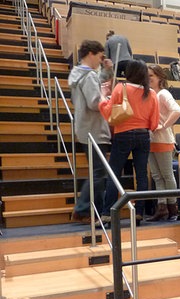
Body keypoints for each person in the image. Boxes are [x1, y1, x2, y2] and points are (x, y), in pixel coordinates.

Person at [99, 60, 160, 225]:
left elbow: (108, 112)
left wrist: (103, 96)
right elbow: (154, 124)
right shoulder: (152, 93)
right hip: (143, 136)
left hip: (123, 134)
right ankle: (139, 212)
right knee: (141, 175)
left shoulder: (121, 88)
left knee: (114, 174)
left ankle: (107, 213)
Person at [68, 40, 113, 223]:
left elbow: (95, 81)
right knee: (98, 174)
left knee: (97, 173)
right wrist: (110, 99)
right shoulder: (89, 76)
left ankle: (91, 210)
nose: (101, 60)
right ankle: (84, 209)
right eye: (100, 56)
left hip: (85, 127)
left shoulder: (77, 74)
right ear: (91, 54)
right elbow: (95, 102)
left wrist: (106, 72)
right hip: (94, 130)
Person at [145, 65, 180, 221]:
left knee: (167, 176)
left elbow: (177, 110)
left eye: (151, 75)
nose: (148, 78)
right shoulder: (151, 94)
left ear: (160, 77)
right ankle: (162, 208)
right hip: (151, 140)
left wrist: (164, 125)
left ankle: (172, 208)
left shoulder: (163, 94)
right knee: (157, 176)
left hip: (163, 140)